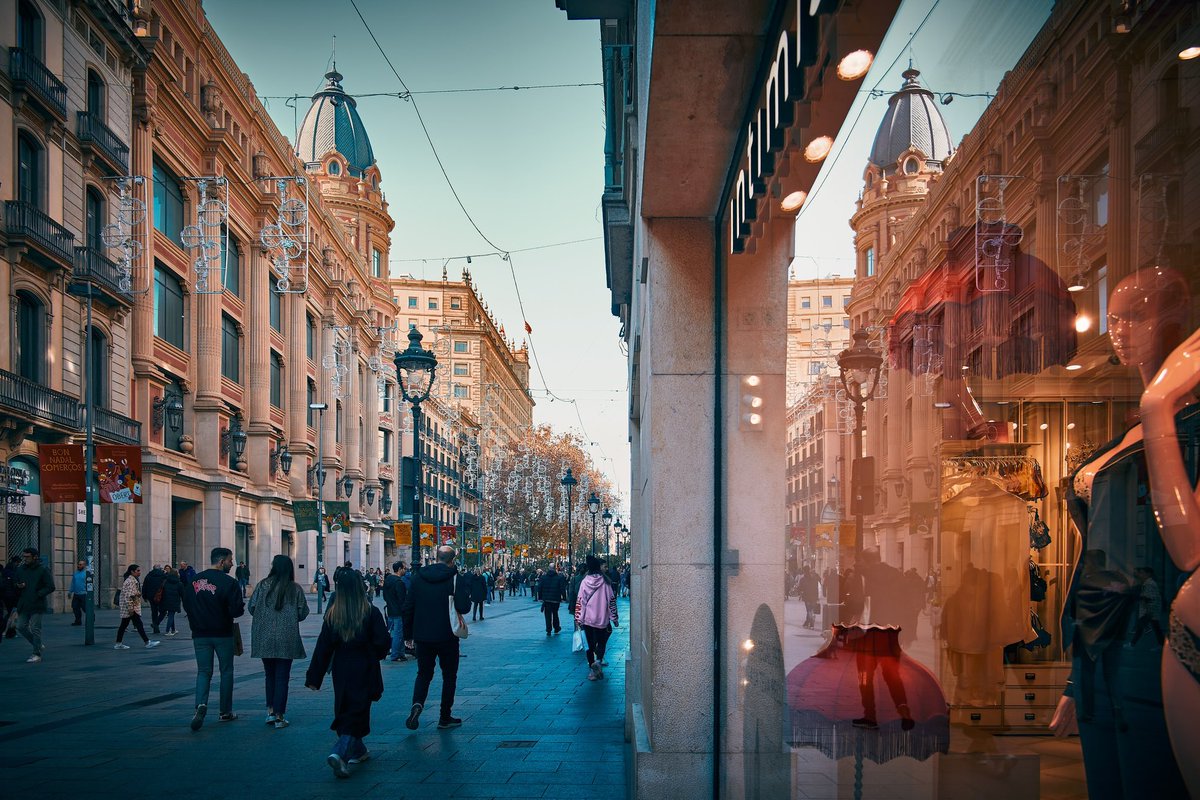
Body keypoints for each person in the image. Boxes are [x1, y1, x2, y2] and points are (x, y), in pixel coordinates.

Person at [305, 571, 389, 777]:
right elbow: (382, 642)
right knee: (358, 710)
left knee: (346, 707)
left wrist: (314, 677)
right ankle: (339, 752)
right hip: (364, 666)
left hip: (341, 667)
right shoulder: (369, 611)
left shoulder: (334, 614)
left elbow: (323, 647)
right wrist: (374, 653)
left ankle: (358, 750)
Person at [401, 545, 473, 731]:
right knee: (449, 676)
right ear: (452, 560)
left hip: (423, 636)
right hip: (447, 635)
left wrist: (408, 635)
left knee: (423, 674)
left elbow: (408, 608)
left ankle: (417, 703)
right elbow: (464, 607)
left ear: (436, 557)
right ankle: (444, 716)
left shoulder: (418, 578)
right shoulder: (456, 578)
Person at [182, 546, 245, 730]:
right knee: (226, 671)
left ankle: (200, 704)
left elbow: (187, 604)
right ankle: (225, 711)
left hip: (200, 634)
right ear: (221, 561)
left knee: (203, 671)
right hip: (223, 633)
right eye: (230, 560)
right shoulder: (229, 582)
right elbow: (236, 610)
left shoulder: (193, 580)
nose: (232, 564)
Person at [249, 554, 309, 729]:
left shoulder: (262, 585)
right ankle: (280, 715)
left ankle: (270, 711)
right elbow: (303, 612)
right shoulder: (294, 588)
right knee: (282, 676)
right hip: (286, 637)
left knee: (270, 675)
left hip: (264, 637)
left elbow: (252, 607)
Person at [575, 556, 619, 680]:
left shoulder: (584, 582)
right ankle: (598, 661)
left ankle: (592, 669)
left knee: (589, 645)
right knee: (601, 643)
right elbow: (611, 601)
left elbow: (580, 601)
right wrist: (614, 618)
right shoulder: (606, 582)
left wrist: (578, 618)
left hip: (587, 619)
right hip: (602, 620)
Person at [13, 548, 54, 663]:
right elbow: (15, 583)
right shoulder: (20, 569)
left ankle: (36, 654)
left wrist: (39, 593)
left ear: (35, 557)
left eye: (27, 557)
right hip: (24, 603)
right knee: (20, 626)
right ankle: (38, 644)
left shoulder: (43, 570)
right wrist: (18, 585)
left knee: (35, 628)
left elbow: (50, 586)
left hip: (37, 603)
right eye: (24, 557)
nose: (25, 559)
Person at [114, 564, 159, 650]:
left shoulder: (132, 580)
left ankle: (118, 643)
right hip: (131, 608)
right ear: (132, 571)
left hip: (130, 607)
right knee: (138, 624)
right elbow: (128, 596)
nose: (139, 572)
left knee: (125, 625)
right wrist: (131, 608)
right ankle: (147, 642)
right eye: (137, 571)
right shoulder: (131, 581)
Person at [382, 561, 409, 662]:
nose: (405, 570)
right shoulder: (399, 582)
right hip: (398, 611)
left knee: (394, 633)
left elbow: (385, 596)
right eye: (404, 569)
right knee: (398, 634)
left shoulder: (388, 580)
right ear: (399, 569)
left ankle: (400, 653)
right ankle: (396, 654)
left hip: (390, 610)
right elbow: (402, 599)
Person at [538, 564, 568, 636]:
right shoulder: (559, 577)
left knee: (547, 615)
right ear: (555, 569)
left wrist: (540, 597)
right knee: (555, 613)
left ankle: (548, 629)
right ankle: (556, 628)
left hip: (546, 600)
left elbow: (540, 587)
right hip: (556, 599)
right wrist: (564, 597)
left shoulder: (543, 577)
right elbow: (562, 588)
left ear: (548, 568)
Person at [142, 564, 167, 634]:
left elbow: (144, 586)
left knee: (154, 612)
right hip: (161, 596)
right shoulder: (163, 575)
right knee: (163, 612)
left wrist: (144, 596)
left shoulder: (149, 575)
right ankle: (156, 623)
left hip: (151, 596)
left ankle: (155, 627)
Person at [162, 564, 183, 636]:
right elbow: (182, 593)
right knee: (171, 615)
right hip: (175, 601)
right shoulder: (179, 583)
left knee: (171, 614)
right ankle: (168, 631)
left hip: (167, 600)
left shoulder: (166, 582)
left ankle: (173, 629)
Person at [68, 560, 87, 625]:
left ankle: (91, 618)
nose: (79, 566)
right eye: (78, 564)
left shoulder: (86, 574)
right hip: (76, 594)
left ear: (84, 565)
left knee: (85, 608)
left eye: (80, 564)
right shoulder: (75, 574)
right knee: (75, 607)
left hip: (84, 594)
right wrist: (70, 591)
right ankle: (78, 621)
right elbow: (73, 583)